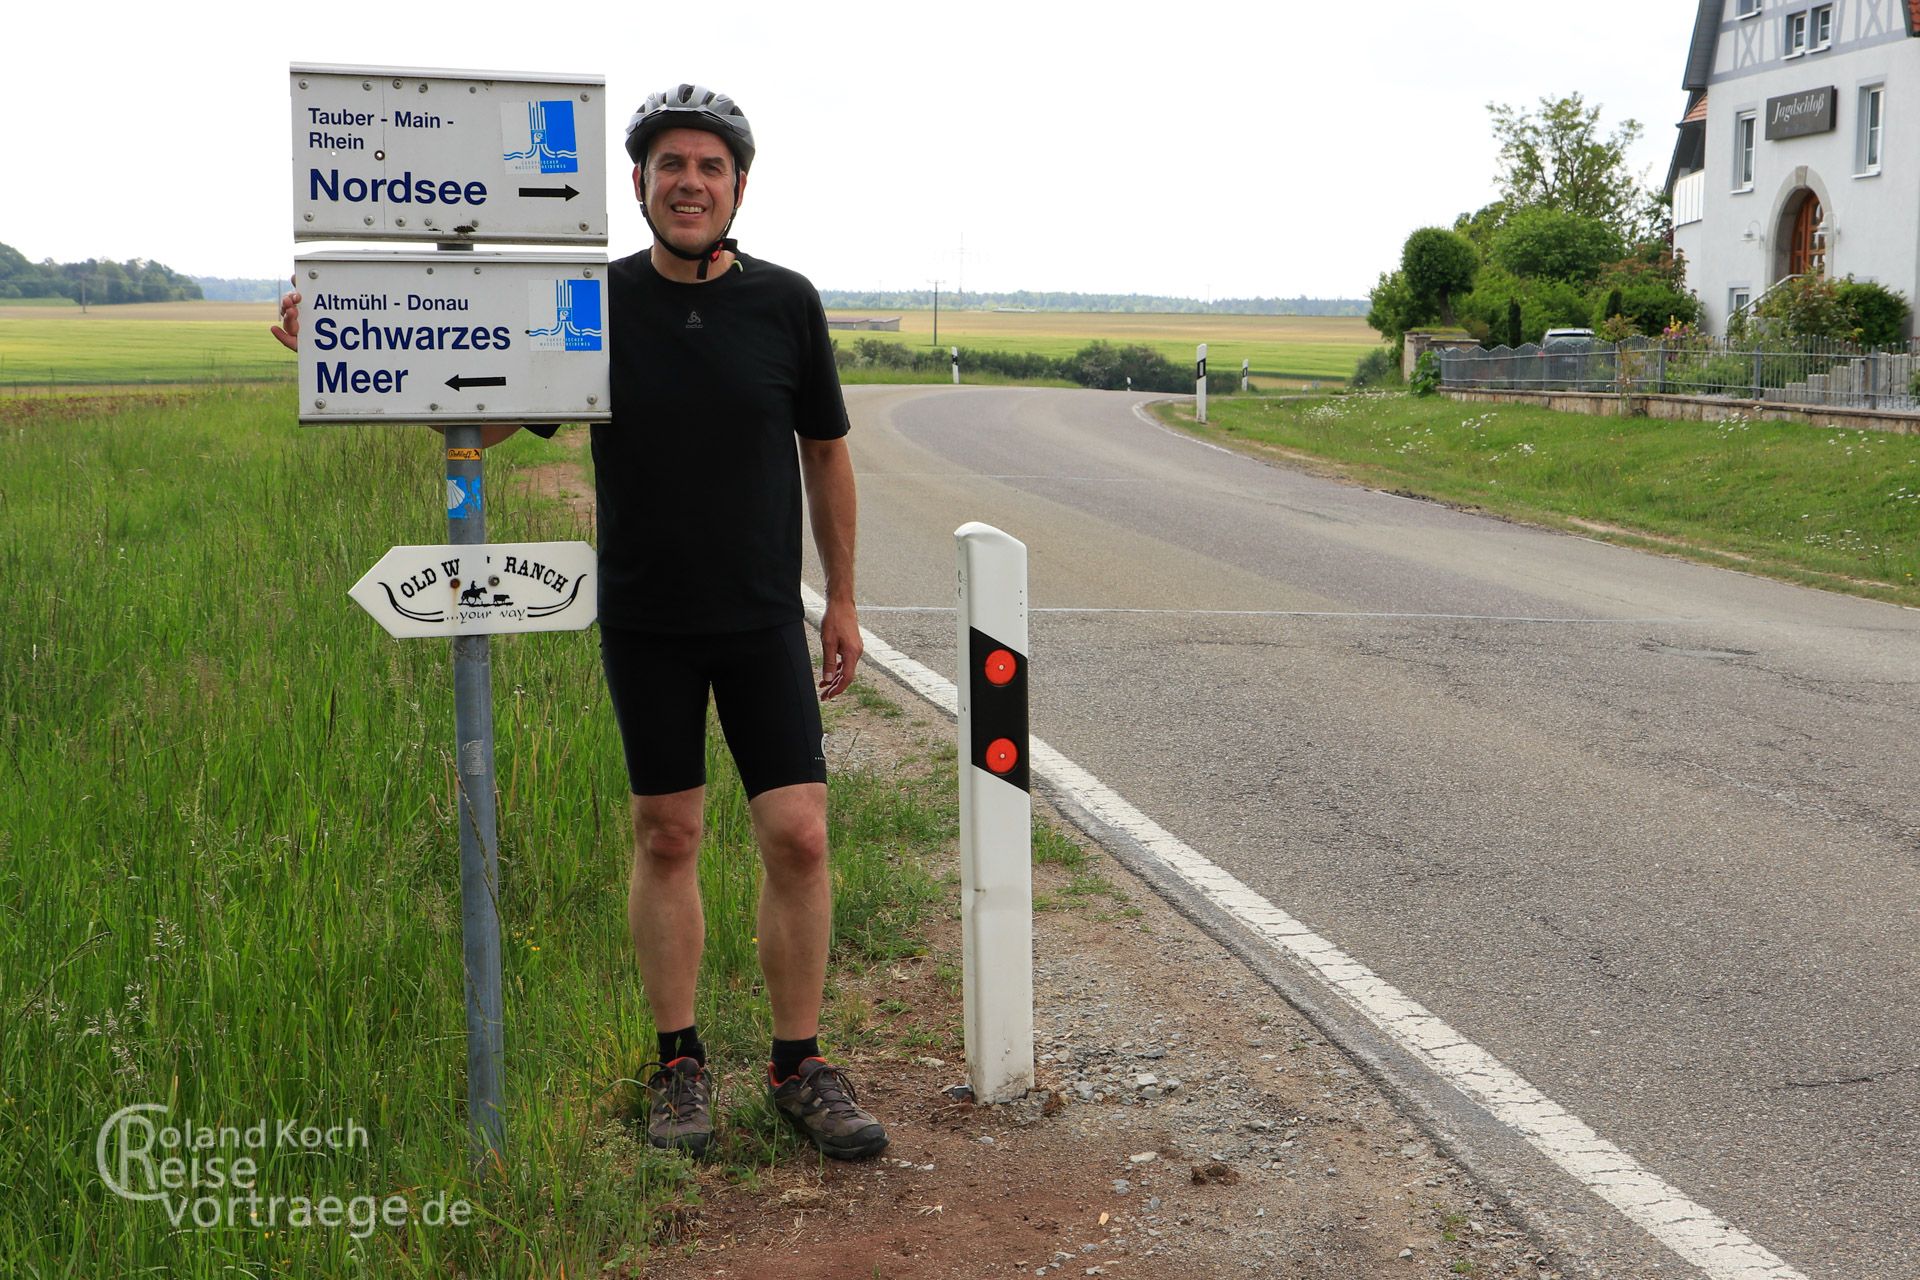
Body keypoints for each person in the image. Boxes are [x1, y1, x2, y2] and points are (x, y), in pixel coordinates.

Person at [272, 83, 886, 1162]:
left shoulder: (787, 303)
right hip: (645, 616)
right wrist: (334, 344)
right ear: (640, 183)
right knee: (669, 832)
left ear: (738, 185)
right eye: (669, 166)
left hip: (757, 621)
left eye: (709, 166)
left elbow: (825, 451)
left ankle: (799, 1063)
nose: (688, 182)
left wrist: (840, 595)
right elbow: (489, 413)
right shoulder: (593, 304)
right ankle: (679, 1064)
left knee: (799, 832)